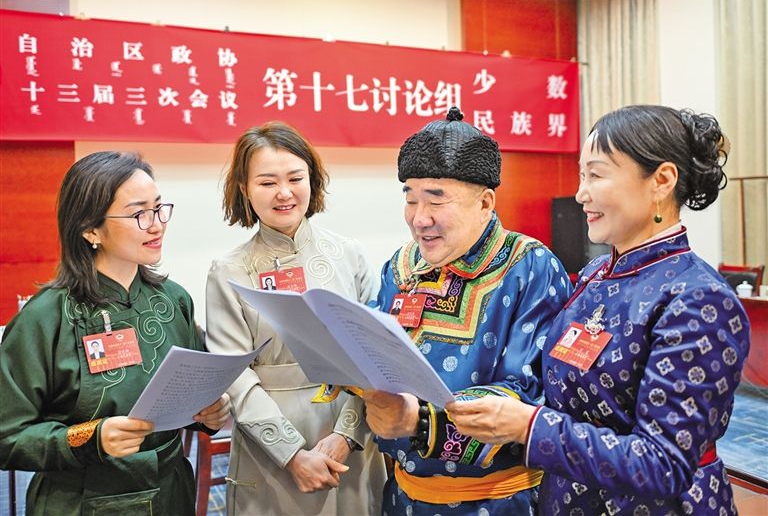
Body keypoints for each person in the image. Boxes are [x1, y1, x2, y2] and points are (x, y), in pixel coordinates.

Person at [447, 105, 750, 515]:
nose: (581, 193)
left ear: (662, 181)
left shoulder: (698, 299)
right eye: (581, 175)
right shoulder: (595, 275)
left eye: (597, 175)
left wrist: (528, 426)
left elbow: (663, 464)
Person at [360, 107, 572, 515]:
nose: (419, 219)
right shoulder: (401, 266)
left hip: (499, 502)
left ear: (485, 202)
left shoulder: (529, 266)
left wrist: (421, 421)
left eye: (436, 199)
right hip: (404, 497)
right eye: (410, 198)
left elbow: (528, 390)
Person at [0, 151, 230, 515]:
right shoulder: (45, 318)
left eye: (159, 209)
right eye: (139, 214)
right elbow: (7, 436)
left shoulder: (173, 300)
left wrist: (211, 414)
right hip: (80, 500)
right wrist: (89, 438)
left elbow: (191, 393)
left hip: (171, 494)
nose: (156, 225)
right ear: (90, 229)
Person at [206, 122, 386, 515]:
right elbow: (234, 375)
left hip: (350, 431)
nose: (284, 193)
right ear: (244, 188)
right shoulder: (228, 270)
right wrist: (291, 455)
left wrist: (346, 435)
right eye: (267, 182)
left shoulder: (349, 254)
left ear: (313, 180)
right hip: (269, 447)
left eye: (295, 178)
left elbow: (375, 353)